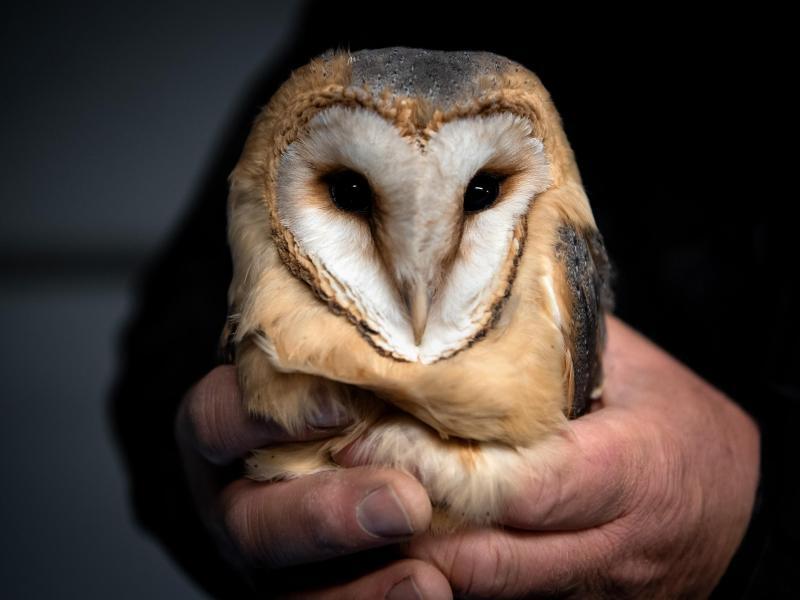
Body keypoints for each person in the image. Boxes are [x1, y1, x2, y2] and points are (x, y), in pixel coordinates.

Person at [111, 3, 796, 597]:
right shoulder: (363, 26)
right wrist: (228, 507)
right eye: (349, 194)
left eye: (482, 194)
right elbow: (165, 368)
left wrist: (758, 527)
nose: (419, 281)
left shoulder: (561, 259)